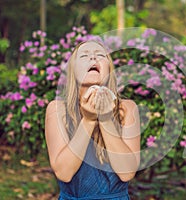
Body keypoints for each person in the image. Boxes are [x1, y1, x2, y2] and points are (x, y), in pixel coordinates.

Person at [45, 40, 141, 199]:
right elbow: (64, 173)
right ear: (73, 71)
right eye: (84, 55)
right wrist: (88, 121)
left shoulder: (127, 108)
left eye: (100, 55)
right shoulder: (57, 110)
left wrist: (105, 119)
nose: (93, 58)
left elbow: (127, 173)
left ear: (109, 69)